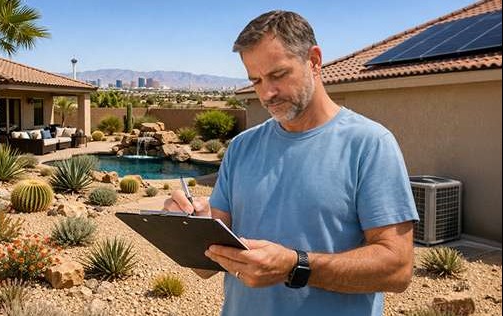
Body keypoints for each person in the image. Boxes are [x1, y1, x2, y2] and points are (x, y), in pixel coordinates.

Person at [164, 10, 419, 316]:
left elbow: (397, 269)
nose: (266, 93)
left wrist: (295, 266)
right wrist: (192, 226)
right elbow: (207, 267)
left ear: (314, 60)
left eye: (278, 75)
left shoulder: (370, 145)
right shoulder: (242, 147)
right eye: (256, 80)